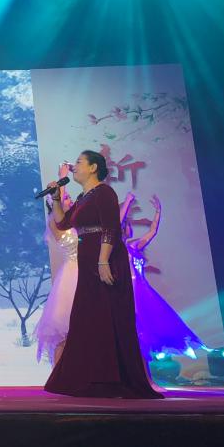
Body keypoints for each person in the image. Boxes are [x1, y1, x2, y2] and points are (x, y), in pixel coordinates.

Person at [43, 150, 163, 399]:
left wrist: (103, 261)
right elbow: (63, 223)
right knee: (88, 318)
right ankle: (92, 377)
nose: (74, 166)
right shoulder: (83, 197)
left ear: (93, 167)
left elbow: (110, 228)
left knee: (108, 316)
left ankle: (115, 379)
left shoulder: (104, 192)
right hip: (88, 260)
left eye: (78, 162)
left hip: (104, 258)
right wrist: (56, 197)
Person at [123, 194, 205, 361]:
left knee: (156, 321)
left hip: (142, 288)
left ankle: (148, 357)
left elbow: (152, 232)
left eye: (129, 224)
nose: (130, 228)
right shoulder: (116, 251)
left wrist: (158, 211)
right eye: (127, 225)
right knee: (136, 323)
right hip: (129, 290)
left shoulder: (134, 246)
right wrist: (127, 203)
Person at [35, 163, 78, 367]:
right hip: (72, 277)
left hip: (86, 274)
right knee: (64, 331)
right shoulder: (56, 222)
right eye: (66, 198)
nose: (70, 200)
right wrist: (61, 177)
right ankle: (58, 375)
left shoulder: (76, 221)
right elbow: (58, 202)